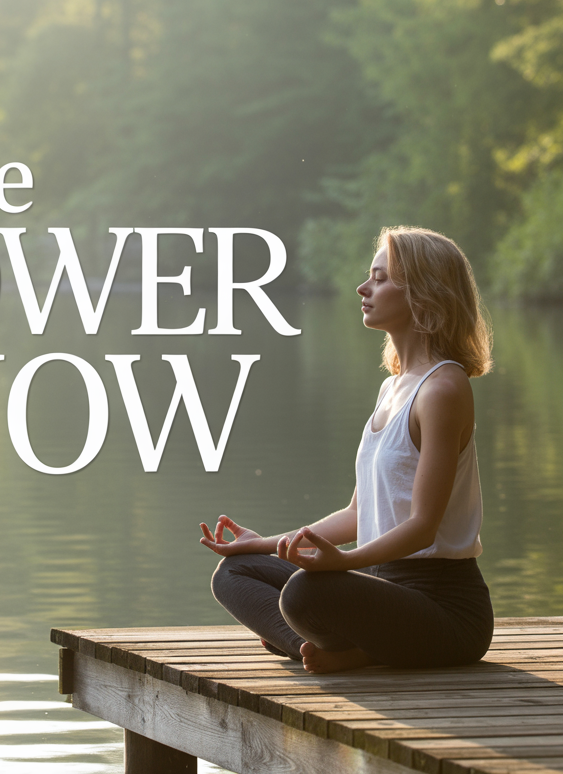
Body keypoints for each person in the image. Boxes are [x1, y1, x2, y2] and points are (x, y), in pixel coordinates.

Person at [200, 226, 494, 674]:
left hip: (444, 608)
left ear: (425, 293)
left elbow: (422, 527)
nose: (363, 287)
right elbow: (359, 513)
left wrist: (344, 562)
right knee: (237, 574)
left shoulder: (444, 388)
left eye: (380, 278)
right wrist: (267, 543)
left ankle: (346, 648)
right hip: (377, 587)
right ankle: (344, 650)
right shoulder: (391, 388)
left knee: (302, 594)